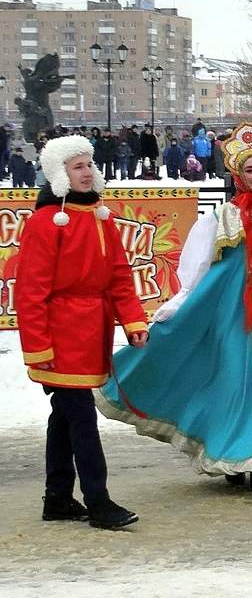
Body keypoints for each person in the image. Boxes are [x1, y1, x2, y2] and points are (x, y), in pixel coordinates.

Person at [96, 124, 252, 491]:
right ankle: (237, 457)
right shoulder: (219, 219)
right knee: (236, 380)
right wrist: (177, 308)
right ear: (237, 174)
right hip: (230, 317)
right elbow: (196, 272)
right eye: (249, 170)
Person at [16, 135, 149, 529]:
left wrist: (133, 320)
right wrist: (38, 348)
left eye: (89, 164)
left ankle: (57, 498)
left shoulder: (100, 218)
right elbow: (30, 292)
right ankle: (99, 500)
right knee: (81, 419)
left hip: (90, 331)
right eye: (78, 166)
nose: (87, 172)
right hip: (60, 338)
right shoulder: (45, 223)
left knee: (64, 415)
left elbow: (120, 278)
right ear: (60, 174)